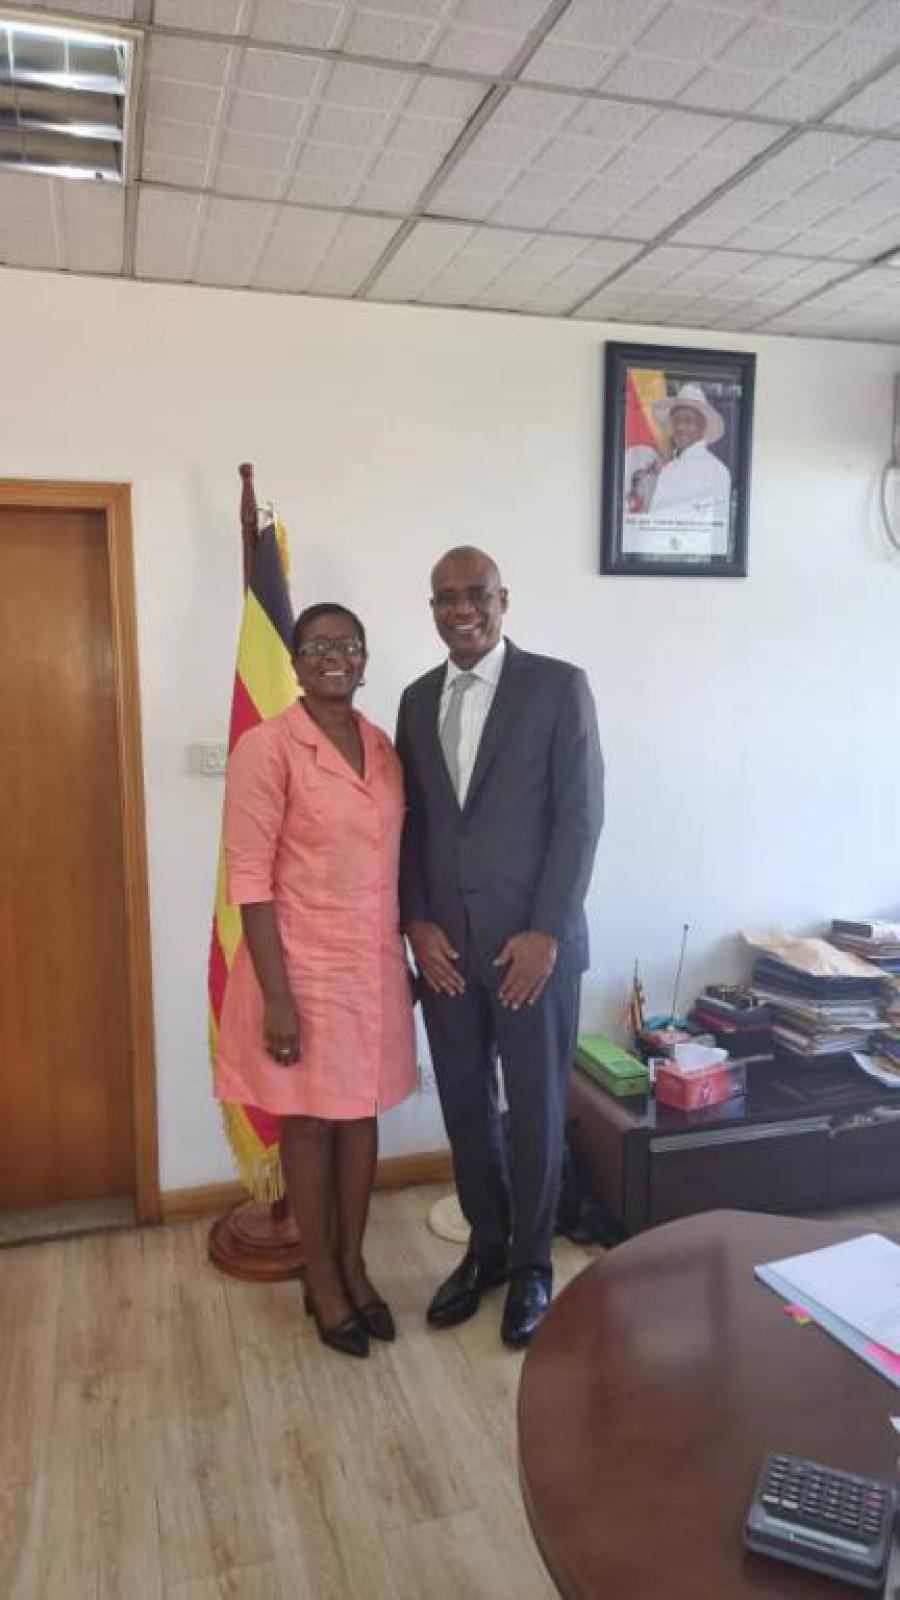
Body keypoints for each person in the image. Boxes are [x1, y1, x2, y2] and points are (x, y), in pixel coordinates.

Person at [395, 548, 603, 1347]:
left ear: (503, 599)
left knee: (537, 1110)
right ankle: (485, 1248)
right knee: (464, 1104)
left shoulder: (557, 687)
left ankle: (531, 1266)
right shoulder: (416, 700)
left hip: (531, 952)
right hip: (447, 952)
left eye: (476, 594)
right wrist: (416, 922)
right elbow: (411, 824)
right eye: (445, 597)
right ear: (432, 609)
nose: (462, 609)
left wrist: (547, 931)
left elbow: (580, 818)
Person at [216, 603, 417, 1359]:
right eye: (317, 645)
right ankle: (320, 1275)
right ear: (296, 662)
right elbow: (248, 877)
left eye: (348, 644)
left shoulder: (382, 747)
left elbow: (398, 860)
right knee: (306, 1121)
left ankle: (353, 1265)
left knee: (360, 1115)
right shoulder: (268, 748)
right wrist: (278, 998)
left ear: (364, 659)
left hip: (373, 967)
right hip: (297, 967)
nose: (335, 655)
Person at [648, 382, 731, 527]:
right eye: (677, 420)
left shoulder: (717, 471)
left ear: (702, 426)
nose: (680, 427)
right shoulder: (667, 471)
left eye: (688, 421)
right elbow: (653, 521)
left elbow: (719, 528)